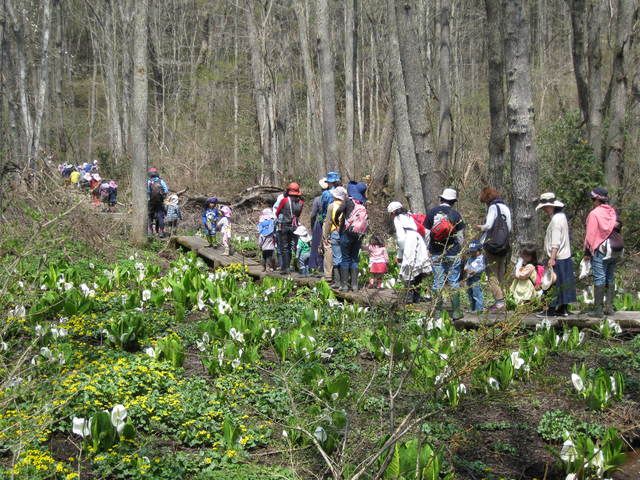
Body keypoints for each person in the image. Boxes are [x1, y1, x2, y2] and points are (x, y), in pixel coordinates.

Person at [424, 188, 465, 319]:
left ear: (441, 199)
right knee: (454, 281)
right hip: (452, 252)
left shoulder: (431, 213)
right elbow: (460, 237)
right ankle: (456, 312)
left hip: (436, 252)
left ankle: (437, 312)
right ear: (453, 201)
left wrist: (427, 249)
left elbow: (426, 234)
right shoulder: (456, 215)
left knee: (438, 281)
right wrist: (460, 250)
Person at [583, 187, 622, 317]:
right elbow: (619, 225)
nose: (591, 201)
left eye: (592, 199)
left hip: (602, 249)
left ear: (596, 200)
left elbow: (591, 235)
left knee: (599, 277)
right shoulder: (612, 211)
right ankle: (609, 308)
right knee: (610, 277)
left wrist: (587, 253)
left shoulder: (594, 214)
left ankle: (598, 311)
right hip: (616, 249)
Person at [536, 192, 577, 317]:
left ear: (550, 206)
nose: (543, 210)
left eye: (544, 207)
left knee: (552, 284)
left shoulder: (555, 220)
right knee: (564, 283)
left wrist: (552, 258)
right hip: (565, 256)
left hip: (557, 257)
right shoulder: (562, 216)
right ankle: (563, 309)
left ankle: (551, 310)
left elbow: (555, 241)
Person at [388, 201, 432, 304]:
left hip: (409, 241)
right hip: (419, 240)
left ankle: (409, 297)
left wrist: (401, 252)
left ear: (393, 212)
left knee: (408, 267)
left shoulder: (397, 218)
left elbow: (400, 237)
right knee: (418, 268)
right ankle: (416, 296)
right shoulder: (409, 215)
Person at [477, 187, 512, 312]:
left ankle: (499, 303)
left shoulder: (493, 207)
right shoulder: (506, 208)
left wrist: (480, 228)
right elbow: (509, 227)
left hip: (492, 246)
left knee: (491, 274)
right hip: (503, 245)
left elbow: (489, 225)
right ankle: (504, 301)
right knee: (500, 273)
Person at [338, 181, 368, 291]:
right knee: (355, 259)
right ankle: (355, 285)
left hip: (346, 233)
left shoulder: (348, 201)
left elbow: (339, 211)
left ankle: (345, 285)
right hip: (359, 235)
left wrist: (337, 220)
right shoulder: (363, 204)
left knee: (345, 258)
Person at [273, 182, 304, 274]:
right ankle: (298, 266)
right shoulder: (301, 202)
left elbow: (277, 212)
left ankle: (285, 268)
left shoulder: (284, 200)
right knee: (293, 246)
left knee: (285, 247)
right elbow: (298, 214)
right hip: (295, 226)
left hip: (285, 225)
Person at [323, 186, 347, 288]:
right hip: (346, 233)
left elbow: (328, 222)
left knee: (337, 258)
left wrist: (325, 236)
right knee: (346, 257)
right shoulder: (348, 205)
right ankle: (346, 281)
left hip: (335, 232)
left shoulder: (332, 206)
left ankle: (338, 283)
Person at [321, 172, 342, 281]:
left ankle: (329, 275)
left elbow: (323, 208)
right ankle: (340, 276)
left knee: (328, 246)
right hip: (340, 223)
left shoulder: (326, 194)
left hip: (328, 220)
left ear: (329, 182)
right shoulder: (343, 192)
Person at [309, 178, 329, 276]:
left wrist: (312, 226)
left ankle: (317, 267)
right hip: (331, 223)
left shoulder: (318, 199)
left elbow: (313, 214)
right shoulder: (333, 197)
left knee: (317, 244)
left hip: (320, 223)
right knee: (328, 244)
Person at [147, 168, 169, 237]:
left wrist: (149, 199)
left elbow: (148, 192)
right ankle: (161, 232)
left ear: (150, 174)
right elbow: (166, 190)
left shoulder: (148, 182)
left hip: (151, 202)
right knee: (160, 217)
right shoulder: (161, 181)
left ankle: (150, 231)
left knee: (150, 216)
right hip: (160, 202)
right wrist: (163, 197)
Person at [465, 240, 485, 313]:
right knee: (470, 294)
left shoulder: (481, 258)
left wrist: (475, 271)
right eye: (471, 251)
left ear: (480, 250)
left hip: (476, 279)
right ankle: (473, 308)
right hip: (469, 279)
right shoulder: (471, 258)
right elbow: (466, 266)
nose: (472, 253)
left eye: (474, 251)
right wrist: (466, 269)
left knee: (477, 294)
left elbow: (482, 267)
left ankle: (479, 309)